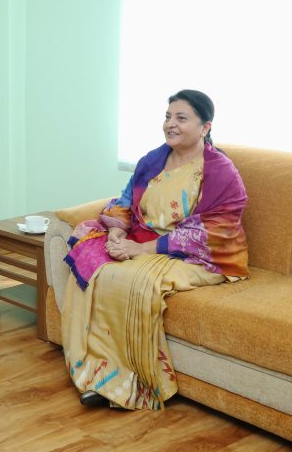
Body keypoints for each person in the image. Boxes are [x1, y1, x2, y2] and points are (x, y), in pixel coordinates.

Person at [61, 90, 248, 410]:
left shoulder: (220, 171)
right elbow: (124, 201)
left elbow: (212, 232)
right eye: (167, 116)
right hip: (140, 238)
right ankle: (97, 369)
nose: (170, 124)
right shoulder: (153, 160)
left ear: (205, 127)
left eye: (181, 118)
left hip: (199, 255)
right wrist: (117, 234)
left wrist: (139, 249)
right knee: (92, 258)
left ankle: (133, 379)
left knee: (132, 281)